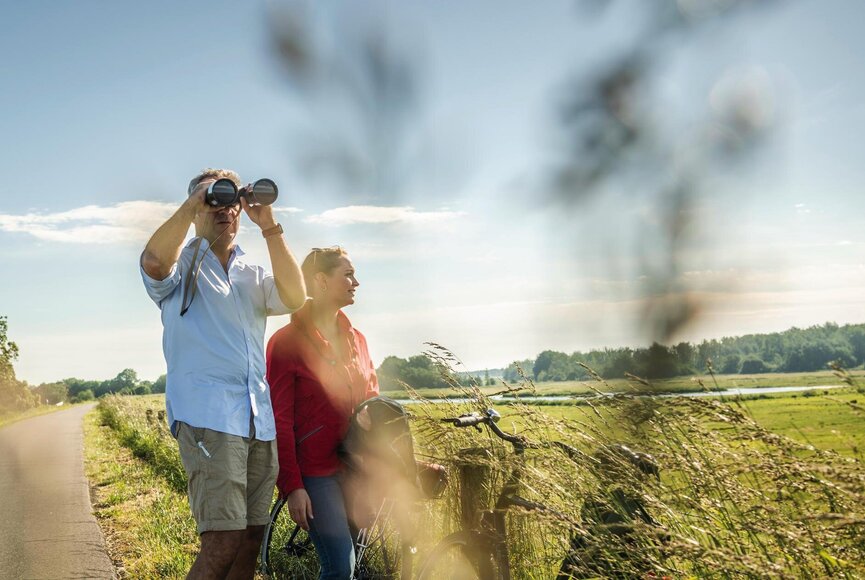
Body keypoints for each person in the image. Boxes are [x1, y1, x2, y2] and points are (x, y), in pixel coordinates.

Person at [140, 168, 306, 580]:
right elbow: (154, 262)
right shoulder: (182, 264)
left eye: (232, 200)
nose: (225, 208)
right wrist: (196, 201)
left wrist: (268, 225)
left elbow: (295, 296)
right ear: (197, 204)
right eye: (215, 198)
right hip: (209, 417)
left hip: (257, 419)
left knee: (252, 535)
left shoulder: (252, 270)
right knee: (223, 539)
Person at [266, 246, 380, 580]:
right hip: (315, 473)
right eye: (347, 274)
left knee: (358, 564)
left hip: (355, 468)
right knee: (340, 568)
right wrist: (292, 486)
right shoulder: (286, 343)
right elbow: (279, 420)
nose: (356, 282)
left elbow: (372, 402)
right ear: (320, 281)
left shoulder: (357, 339)